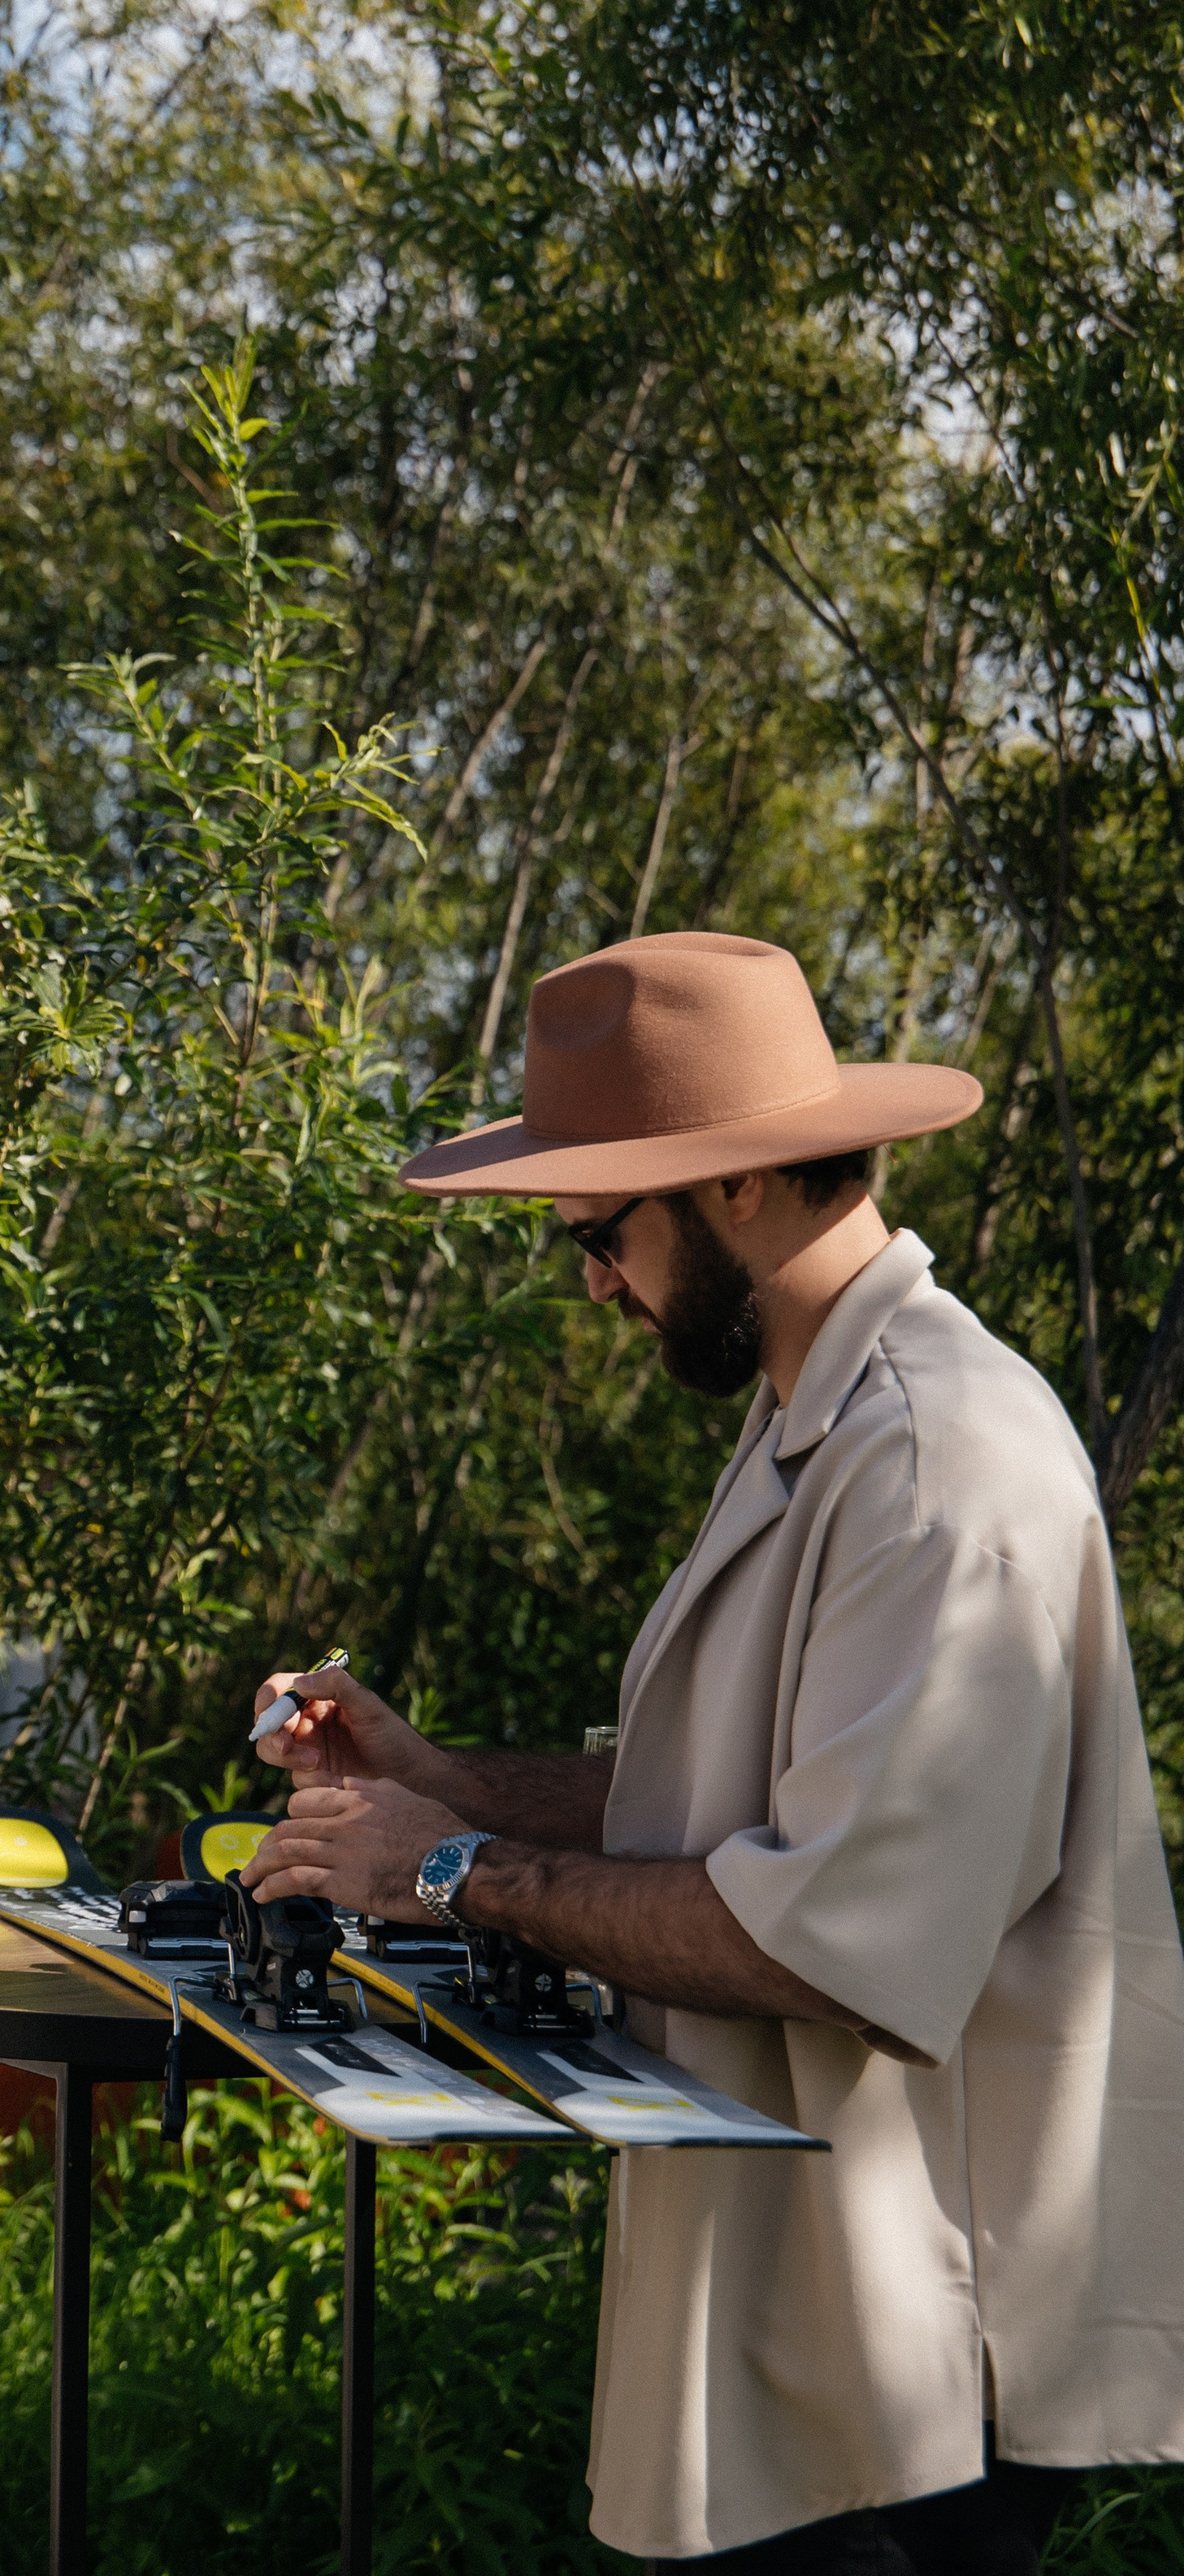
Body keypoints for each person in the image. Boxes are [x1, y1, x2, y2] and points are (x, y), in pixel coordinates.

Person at [245, 929, 1184, 2570]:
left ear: (736, 1184)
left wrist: (450, 1872)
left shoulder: (929, 1464)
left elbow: (826, 1936)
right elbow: (723, 1809)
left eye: (597, 1234)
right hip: (808, 2323)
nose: (590, 1282)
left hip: (906, 2357)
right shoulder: (808, 1412)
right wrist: (442, 1780)